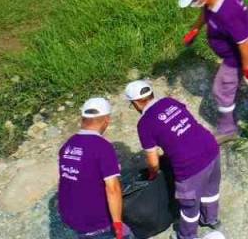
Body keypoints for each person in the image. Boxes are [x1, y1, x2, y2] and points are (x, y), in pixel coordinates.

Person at [125, 80, 222, 239]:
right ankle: (211, 219)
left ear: (135, 103)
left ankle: (186, 235)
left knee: (189, 206)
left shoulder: (144, 123)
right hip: (211, 148)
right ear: (151, 94)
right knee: (211, 190)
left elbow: (153, 161)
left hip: (189, 165)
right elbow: (181, 129)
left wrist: (152, 174)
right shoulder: (169, 102)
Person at [178, 0, 248, 143]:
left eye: (192, 2)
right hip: (239, 48)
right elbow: (206, 11)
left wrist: (246, 67)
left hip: (239, 54)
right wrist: (196, 29)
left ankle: (228, 129)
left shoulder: (227, 13)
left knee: (221, 90)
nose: (191, 6)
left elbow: (244, 43)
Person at [57, 98, 131, 239]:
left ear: (83, 118)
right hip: (96, 221)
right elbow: (112, 188)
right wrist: (117, 224)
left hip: (71, 215)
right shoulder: (102, 147)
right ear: (106, 120)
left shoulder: (68, 144)